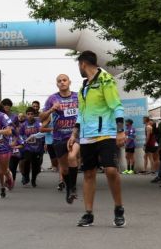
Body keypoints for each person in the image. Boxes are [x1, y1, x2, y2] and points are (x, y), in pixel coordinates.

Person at [68, 50, 126, 228]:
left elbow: (116, 106)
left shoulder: (106, 80)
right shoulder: (83, 87)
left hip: (106, 133)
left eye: (79, 65)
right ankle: (88, 213)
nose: (79, 68)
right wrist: (74, 134)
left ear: (83, 64)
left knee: (110, 170)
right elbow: (81, 113)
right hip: (87, 137)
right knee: (88, 173)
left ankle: (118, 208)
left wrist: (120, 131)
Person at [40, 74, 81, 203]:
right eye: (59, 81)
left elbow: (86, 112)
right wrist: (52, 109)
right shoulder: (52, 98)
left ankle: (73, 187)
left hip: (75, 135)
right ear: (56, 84)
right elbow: (41, 117)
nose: (62, 82)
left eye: (64, 80)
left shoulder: (77, 97)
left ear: (70, 82)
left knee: (72, 157)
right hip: (59, 137)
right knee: (63, 168)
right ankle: (69, 189)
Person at [20, 107, 45, 187]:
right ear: (26, 115)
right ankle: (26, 176)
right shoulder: (24, 124)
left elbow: (43, 133)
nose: (30, 116)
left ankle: (33, 180)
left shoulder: (38, 124)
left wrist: (44, 143)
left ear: (34, 115)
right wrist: (24, 140)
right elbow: (20, 134)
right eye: (28, 114)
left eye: (31, 114)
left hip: (38, 148)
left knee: (36, 166)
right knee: (26, 161)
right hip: (28, 147)